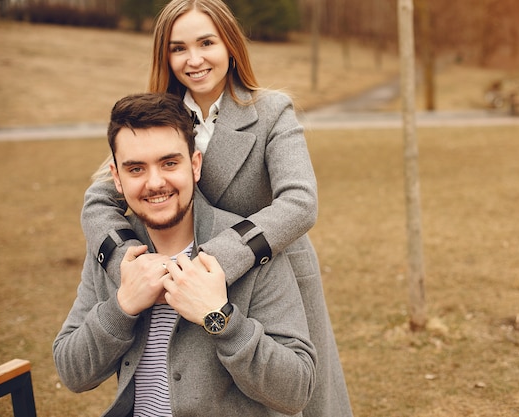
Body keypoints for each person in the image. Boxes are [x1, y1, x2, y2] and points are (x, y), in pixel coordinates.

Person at [81, 1, 353, 415]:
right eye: (178, 48)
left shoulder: (270, 111)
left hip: (269, 270)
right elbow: (99, 197)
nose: (194, 60)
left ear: (230, 44)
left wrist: (214, 258)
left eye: (206, 42)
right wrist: (124, 260)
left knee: (299, 395)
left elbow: (300, 203)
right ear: (165, 56)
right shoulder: (159, 118)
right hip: (177, 281)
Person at [53, 93, 317, 416]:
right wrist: (122, 307)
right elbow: (71, 371)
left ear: (195, 165)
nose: (155, 182)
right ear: (116, 179)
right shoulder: (114, 252)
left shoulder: (252, 251)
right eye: (136, 169)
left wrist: (220, 319)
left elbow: (297, 389)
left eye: (169, 163)